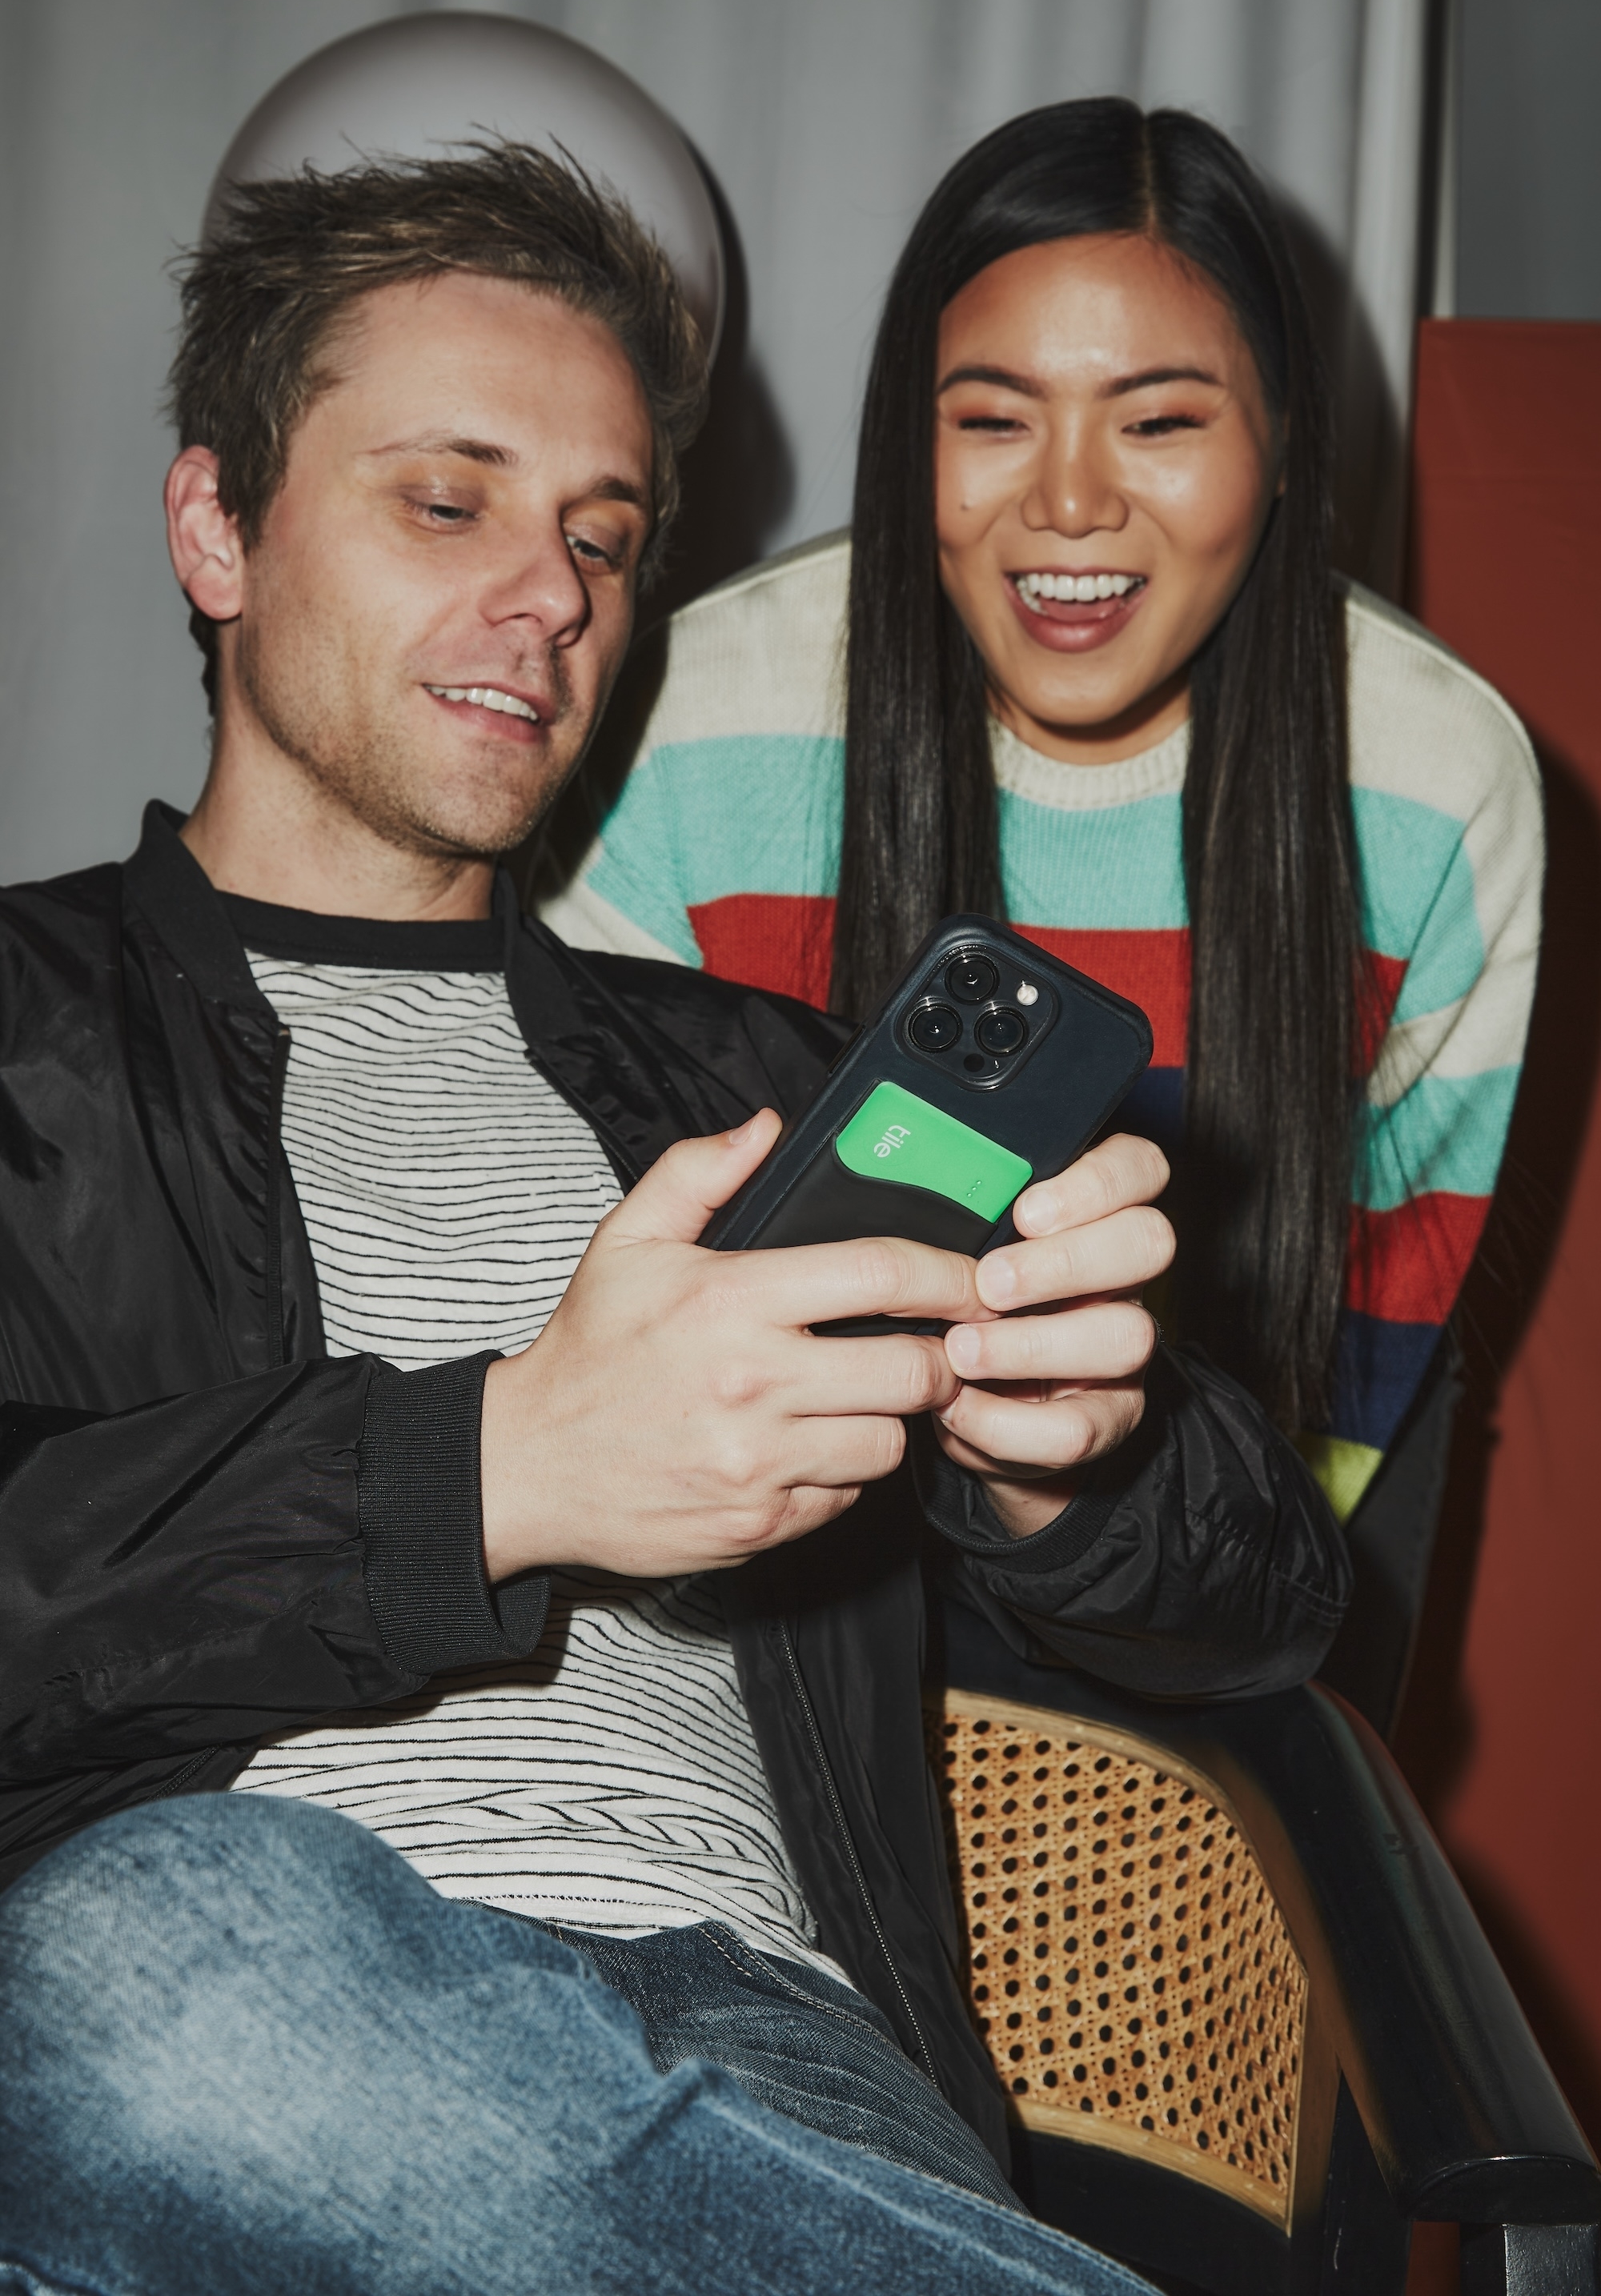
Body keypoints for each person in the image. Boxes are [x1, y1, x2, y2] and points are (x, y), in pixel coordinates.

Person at [0, 141, 1347, 2296]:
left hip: (769, 2057)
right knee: (157, 1958)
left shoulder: (752, 1075)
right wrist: (492, 1471)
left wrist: (1068, 1471)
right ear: (216, 527)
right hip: (199, 2023)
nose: (551, 598)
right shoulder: (21, 1027)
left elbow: (1274, 1604)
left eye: (602, 541)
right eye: (450, 503)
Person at [543, 98, 1543, 1525]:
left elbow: (1371, 1349)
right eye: (996, 420)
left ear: (1278, 451)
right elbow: (601, 1289)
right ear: (909, 441)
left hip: (1206, 1567)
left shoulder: (1433, 779)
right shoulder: (693, 719)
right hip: (751, 1552)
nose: (1071, 503)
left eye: (1160, 421)